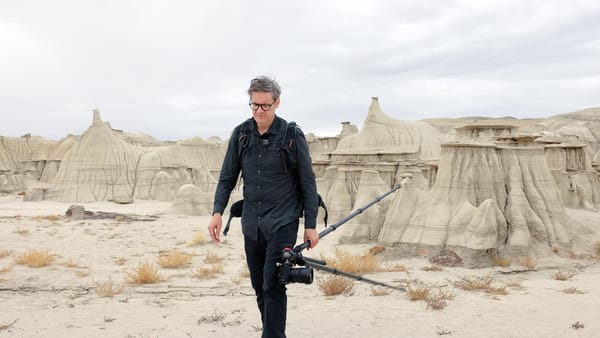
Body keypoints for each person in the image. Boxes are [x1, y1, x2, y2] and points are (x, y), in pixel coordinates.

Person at [208, 76, 319, 338]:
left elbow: (308, 182)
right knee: (259, 285)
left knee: (274, 283)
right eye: (254, 105)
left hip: (283, 221)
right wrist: (217, 213)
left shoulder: (292, 135)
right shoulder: (241, 135)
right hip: (252, 224)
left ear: (277, 103)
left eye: (265, 106)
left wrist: (311, 225)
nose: (259, 111)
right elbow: (227, 177)